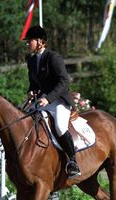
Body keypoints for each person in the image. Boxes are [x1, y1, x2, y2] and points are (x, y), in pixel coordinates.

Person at [23, 25, 81, 179]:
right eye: (27, 41)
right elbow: (35, 84)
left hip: (59, 100)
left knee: (60, 127)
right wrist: (31, 91)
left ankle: (72, 161)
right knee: (24, 121)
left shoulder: (53, 57)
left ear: (40, 41)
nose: (27, 44)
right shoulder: (31, 61)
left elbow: (63, 81)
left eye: (30, 41)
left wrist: (47, 98)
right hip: (42, 100)